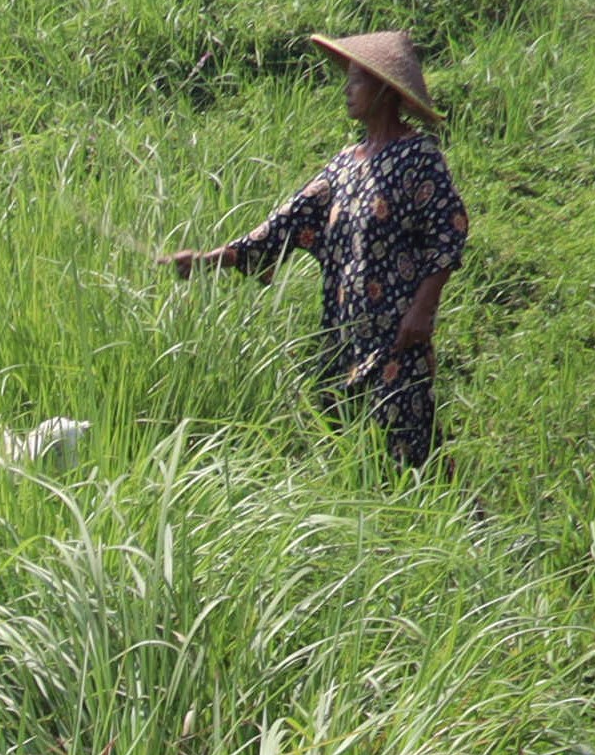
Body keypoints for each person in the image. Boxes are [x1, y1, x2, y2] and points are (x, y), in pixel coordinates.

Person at [168, 31, 469, 469]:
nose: (347, 89)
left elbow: (449, 231)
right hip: (343, 332)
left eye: (357, 81)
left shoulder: (419, 157)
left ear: (385, 90)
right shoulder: (344, 166)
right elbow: (283, 225)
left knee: (409, 444)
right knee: (346, 442)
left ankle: (450, 506)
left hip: (398, 333)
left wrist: (423, 309)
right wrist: (209, 261)